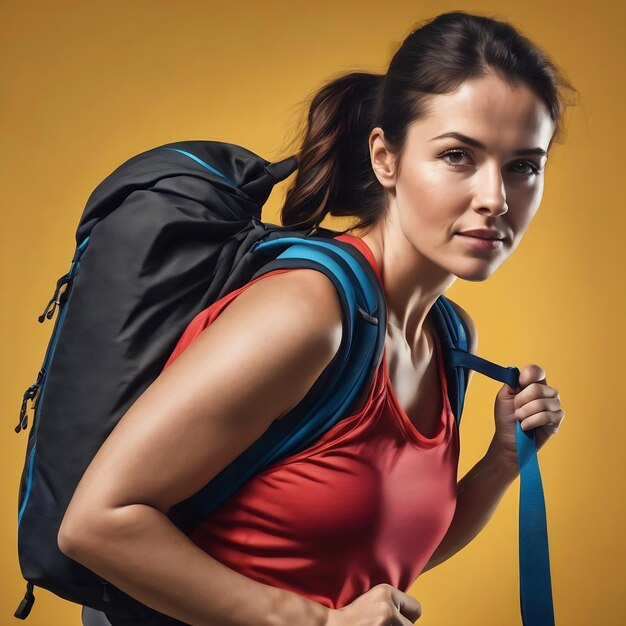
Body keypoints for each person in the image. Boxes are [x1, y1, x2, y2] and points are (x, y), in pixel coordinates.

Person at [59, 9, 573, 626]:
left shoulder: (449, 335)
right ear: (386, 158)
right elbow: (97, 523)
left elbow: (380, 555)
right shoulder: (309, 313)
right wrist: (321, 623)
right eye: (459, 155)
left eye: (524, 165)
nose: (495, 198)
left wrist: (501, 464)